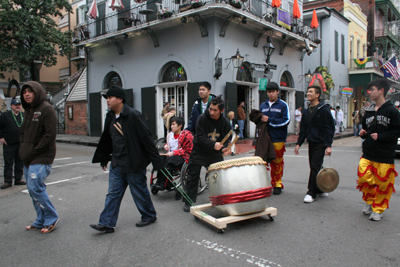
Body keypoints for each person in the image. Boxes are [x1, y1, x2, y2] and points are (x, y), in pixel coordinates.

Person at [91, 86, 163, 233]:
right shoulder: (110, 116)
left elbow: (147, 139)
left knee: (139, 192)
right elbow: (107, 139)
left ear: (120, 99)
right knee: (113, 193)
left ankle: (149, 215)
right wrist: (104, 158)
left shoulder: (133, 115)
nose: (108, 100)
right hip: (117, 163)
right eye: (107, 98)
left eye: (110, 97)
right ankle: (107, 223)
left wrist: (157, 163)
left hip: (133, 163)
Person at [357, 78, 400, 221]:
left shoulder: (392, 111)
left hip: (384, 155)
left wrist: (381, 136)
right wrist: (364, 132)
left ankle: (378, 208)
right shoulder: (368, 111)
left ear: (381, 90)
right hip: (368, 153)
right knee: (364, 177)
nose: (369, 93)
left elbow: (397, 132)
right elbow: (365, 127)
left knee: (383, 183)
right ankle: (369, 201)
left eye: (372, 90)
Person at [19, 81, 59, 234]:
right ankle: (41, 219)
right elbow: (22, 133)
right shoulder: (28, 110)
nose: (27, 94)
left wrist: (34, 150)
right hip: (28, 156)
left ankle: (52, 217)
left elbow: (50, 135)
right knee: (31, 189)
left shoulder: (47, 109)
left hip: (42, 156)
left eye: (30, 91)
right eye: (24, 92)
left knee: (35, 186)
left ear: (37, 92)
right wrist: (23, 148)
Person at [183, 96, 231, 212]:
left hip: (214, 154)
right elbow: (199, 137)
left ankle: (219, 199)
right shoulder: (202, 118)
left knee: (218, 177)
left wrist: (225, 148)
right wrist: (213, 144)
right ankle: (189, 201)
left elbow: (226, 138)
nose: (212, 112)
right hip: (199, 150)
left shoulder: (225, 122)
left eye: (215, 110)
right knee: (193, 176)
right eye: (210, 109)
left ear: (221, 111)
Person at [294, 85, 335, 203]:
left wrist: (328, 145)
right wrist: (298, 143)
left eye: (311, 91)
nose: (308, 93)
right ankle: (321, 187)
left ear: (317, 95)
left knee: (315, 166)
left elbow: (329, 128)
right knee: (314, 166)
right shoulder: (306, 111)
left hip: (321, 142)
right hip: (311, 142)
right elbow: (303, 128)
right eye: (307, 91)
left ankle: (311, 192)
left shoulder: (324, 109)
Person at [259, 82, 290, 195]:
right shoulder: (263, 105)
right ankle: (264, 183)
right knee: (262, 161)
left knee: (277, 161)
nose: (271, 94)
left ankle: (277, 183)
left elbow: (286, 121)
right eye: (269, 92)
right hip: (264, 138)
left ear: (277, 92)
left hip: (278, 138)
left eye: (273, 91)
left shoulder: (283, 105)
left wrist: (270, 121)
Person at [154, 116, 193, 191]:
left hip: (181, 157)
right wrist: (166, 146)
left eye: (173, 124)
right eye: (171, 124)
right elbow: (168, 144)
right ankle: (160, 181)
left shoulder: (186, 135)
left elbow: (187, 150)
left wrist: (174, 152)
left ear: (180, 125)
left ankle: (164, 183)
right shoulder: (169, 135)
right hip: (171, 156)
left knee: (169, 161)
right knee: (160, 160)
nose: (171, 126)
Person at [0, 98, 26, 189]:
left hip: (20, 144)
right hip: (9, 144)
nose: (17, 106)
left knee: (19, 162)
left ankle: (18, 179)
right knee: (8, 163)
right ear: (11, 106)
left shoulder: (23, 115)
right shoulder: (5, 115)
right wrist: (1, 137)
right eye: (15, 105)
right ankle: (8, 181)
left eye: (19, 105)